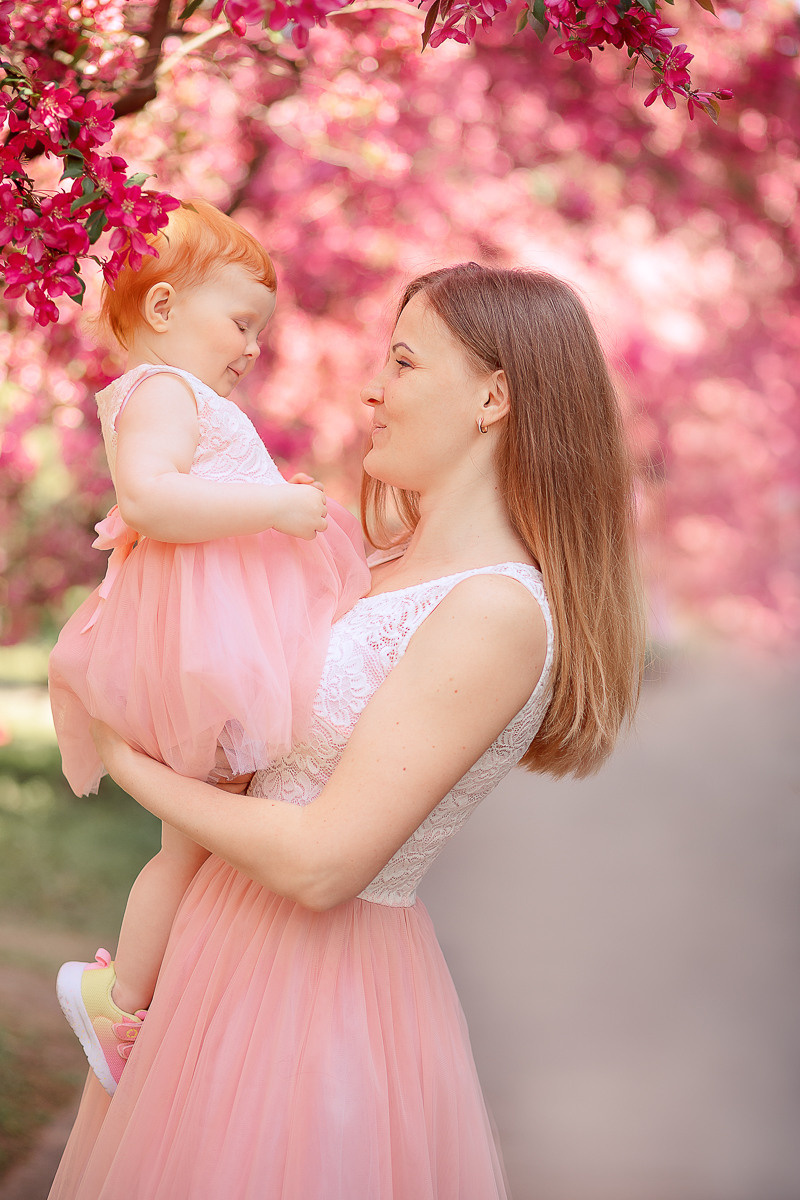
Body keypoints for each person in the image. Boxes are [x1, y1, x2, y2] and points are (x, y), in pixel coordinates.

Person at [48, 263, 645, 1200]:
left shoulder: (496, 610)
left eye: (403, 363)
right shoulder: (373, 565)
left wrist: (125, 762)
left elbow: (323, 864)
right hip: (212, 947)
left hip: (311, 987)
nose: (372, 388)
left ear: (493, 398)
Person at [48, 199, 370, 1096]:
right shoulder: (161, 391)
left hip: (212, 639)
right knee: (193, 838)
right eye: (240, 322)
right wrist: (272, 506)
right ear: (163, 309)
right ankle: (118, 998)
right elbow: (148, 501)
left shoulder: (185, 397)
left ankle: (147, 994)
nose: (252, 348)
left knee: (200, 839)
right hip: (198, 650)